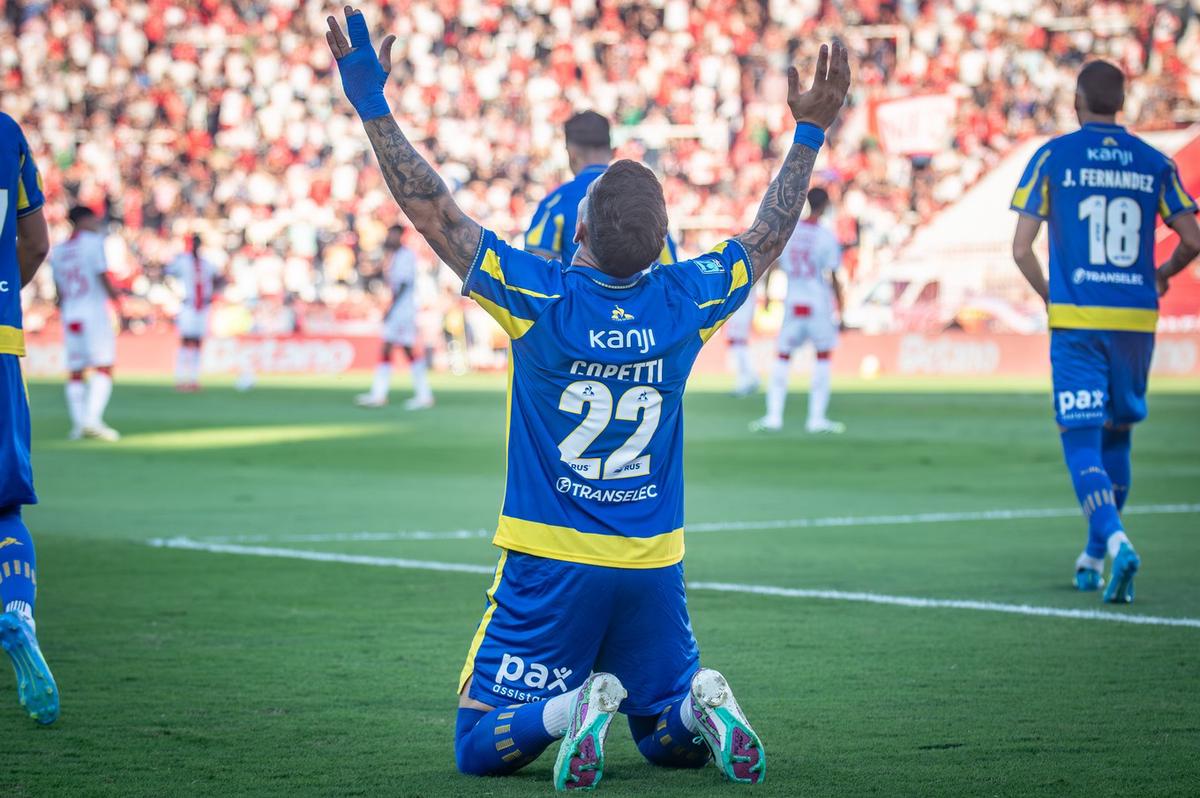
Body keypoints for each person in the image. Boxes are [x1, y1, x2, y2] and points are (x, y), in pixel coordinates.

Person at [327, 9, 849, 790]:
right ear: (661, 239)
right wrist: (809, 133)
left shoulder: (539, 297)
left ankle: (569, 712)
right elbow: (765, 235)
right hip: (653, 566)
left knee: (476, 743)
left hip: (550, 563)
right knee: (662, 737)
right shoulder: (686, 301)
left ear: (578, 224)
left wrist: (370, 102)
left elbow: (433, 210)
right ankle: (697, 704)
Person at [1010, 60, 1200, 603]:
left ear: (1076, 100)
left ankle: (1117, 541)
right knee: (1119, 435)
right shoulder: (1154, 163)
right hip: (1136, 322)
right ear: (1123, 103)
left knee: (1081, 438)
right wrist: (1161, 275)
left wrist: (1052, 298)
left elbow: (1021, 249)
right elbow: (1191, 236)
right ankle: (1093, 557)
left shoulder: (1054, 157)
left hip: (1079, 322)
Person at [0, 111, 59, 724]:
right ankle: (16, 611)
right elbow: (36, 243)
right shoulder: (7, 133)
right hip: (0, 342)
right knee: (4, 508)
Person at [525, 111, 678, 267]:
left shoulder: (557, 202)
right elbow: (668, 264)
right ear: (612, 150)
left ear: (571, 153)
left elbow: (536, 266)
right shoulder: (644, 198)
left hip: (581, 290)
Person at [752, 187, 845, 433]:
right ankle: (816, 419)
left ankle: (773, 416)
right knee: (823, 358)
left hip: (793, 301)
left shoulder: (791, 233)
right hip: (818, 304)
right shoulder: (826, 236)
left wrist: (770, 295)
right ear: (825, 205)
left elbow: (773, 264)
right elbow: (833, 275)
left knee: (783, 357)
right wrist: (842, 309)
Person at [48, 206, 122, 441]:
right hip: (93, 311)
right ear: (85, 219)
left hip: (71, 312)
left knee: (76, 371)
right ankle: (92, 421)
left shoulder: (59, 250)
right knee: (104, 366)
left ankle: (79, 425)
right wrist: (118, 300)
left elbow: (59, 290)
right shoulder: (93, 242)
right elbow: (102, 274)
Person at [356, 224, 434, 409]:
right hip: (400, 310)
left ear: (400, 236)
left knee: (397, 349)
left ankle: (388, 394)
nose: (390, 238)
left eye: (393, 235)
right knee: (398, 350)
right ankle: (386, 393)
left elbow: (405, 285)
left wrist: (390, 310)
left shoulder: (406, 256)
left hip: (403, 311)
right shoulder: (395, 256)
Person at [166, 233, 221, 392]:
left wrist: (213, 291)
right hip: (188, 305)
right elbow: (167, 272)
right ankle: (180, 378)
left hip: (202, 306)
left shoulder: (207, 263)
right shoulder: (182, 261)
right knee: (185, 341)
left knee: (197, 342)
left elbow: (217, 278)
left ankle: (194, 378)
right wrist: (175, 292)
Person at [723, 294, 759, 397]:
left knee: (739, 343)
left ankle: (745, 382)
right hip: (738, 306)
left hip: (742, 306)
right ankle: (752, 378)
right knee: (736, 343)